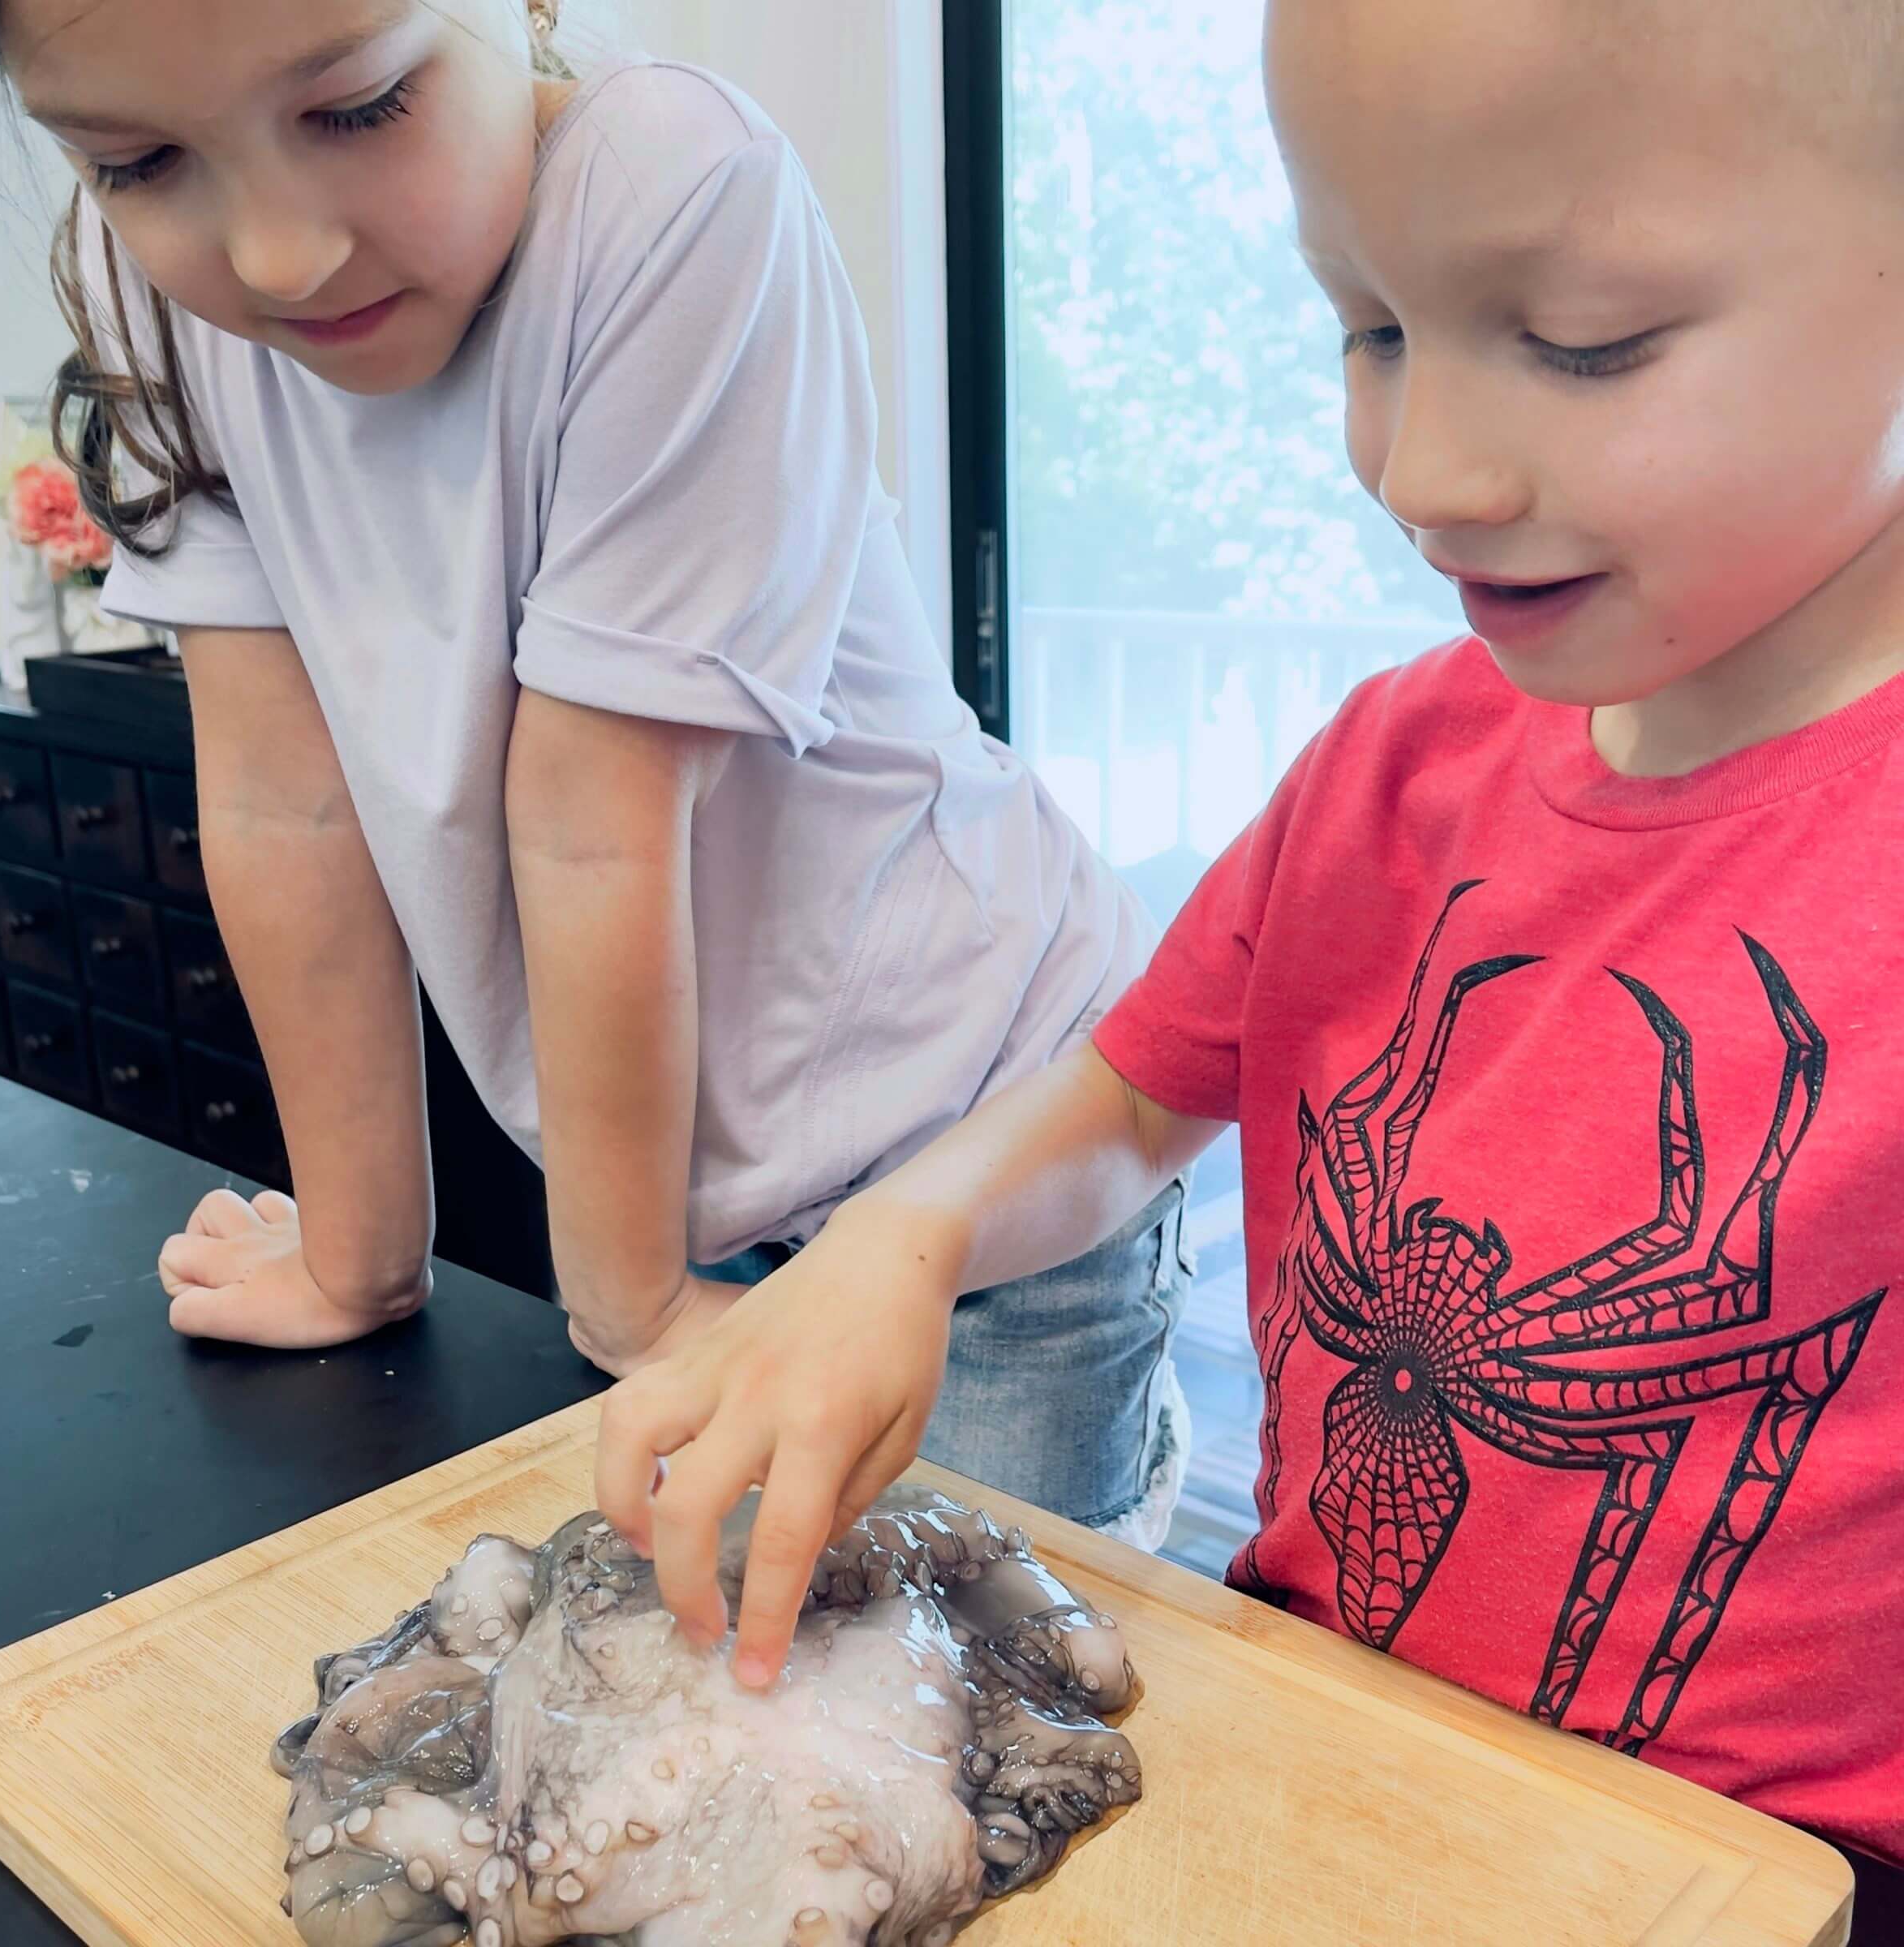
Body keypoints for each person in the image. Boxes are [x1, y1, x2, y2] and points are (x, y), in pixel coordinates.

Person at [593, 0, 1904, 1918]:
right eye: (1366, 326)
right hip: (1325, 1750)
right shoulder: (1396, 762)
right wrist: (908, 1232)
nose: (1424, 465)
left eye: (1583, 342)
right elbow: (1139, 1090)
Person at [0, 0, 1195, 1554]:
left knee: (983, 1705)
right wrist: (357, 1257)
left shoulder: (672, 187)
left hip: (976, 1150)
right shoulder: (148, 306)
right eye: (141, 161)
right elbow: (287, 803)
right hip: (674, 1199)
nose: (278, 255)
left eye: (357, 108)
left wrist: (629, 1309)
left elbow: (594, 814)